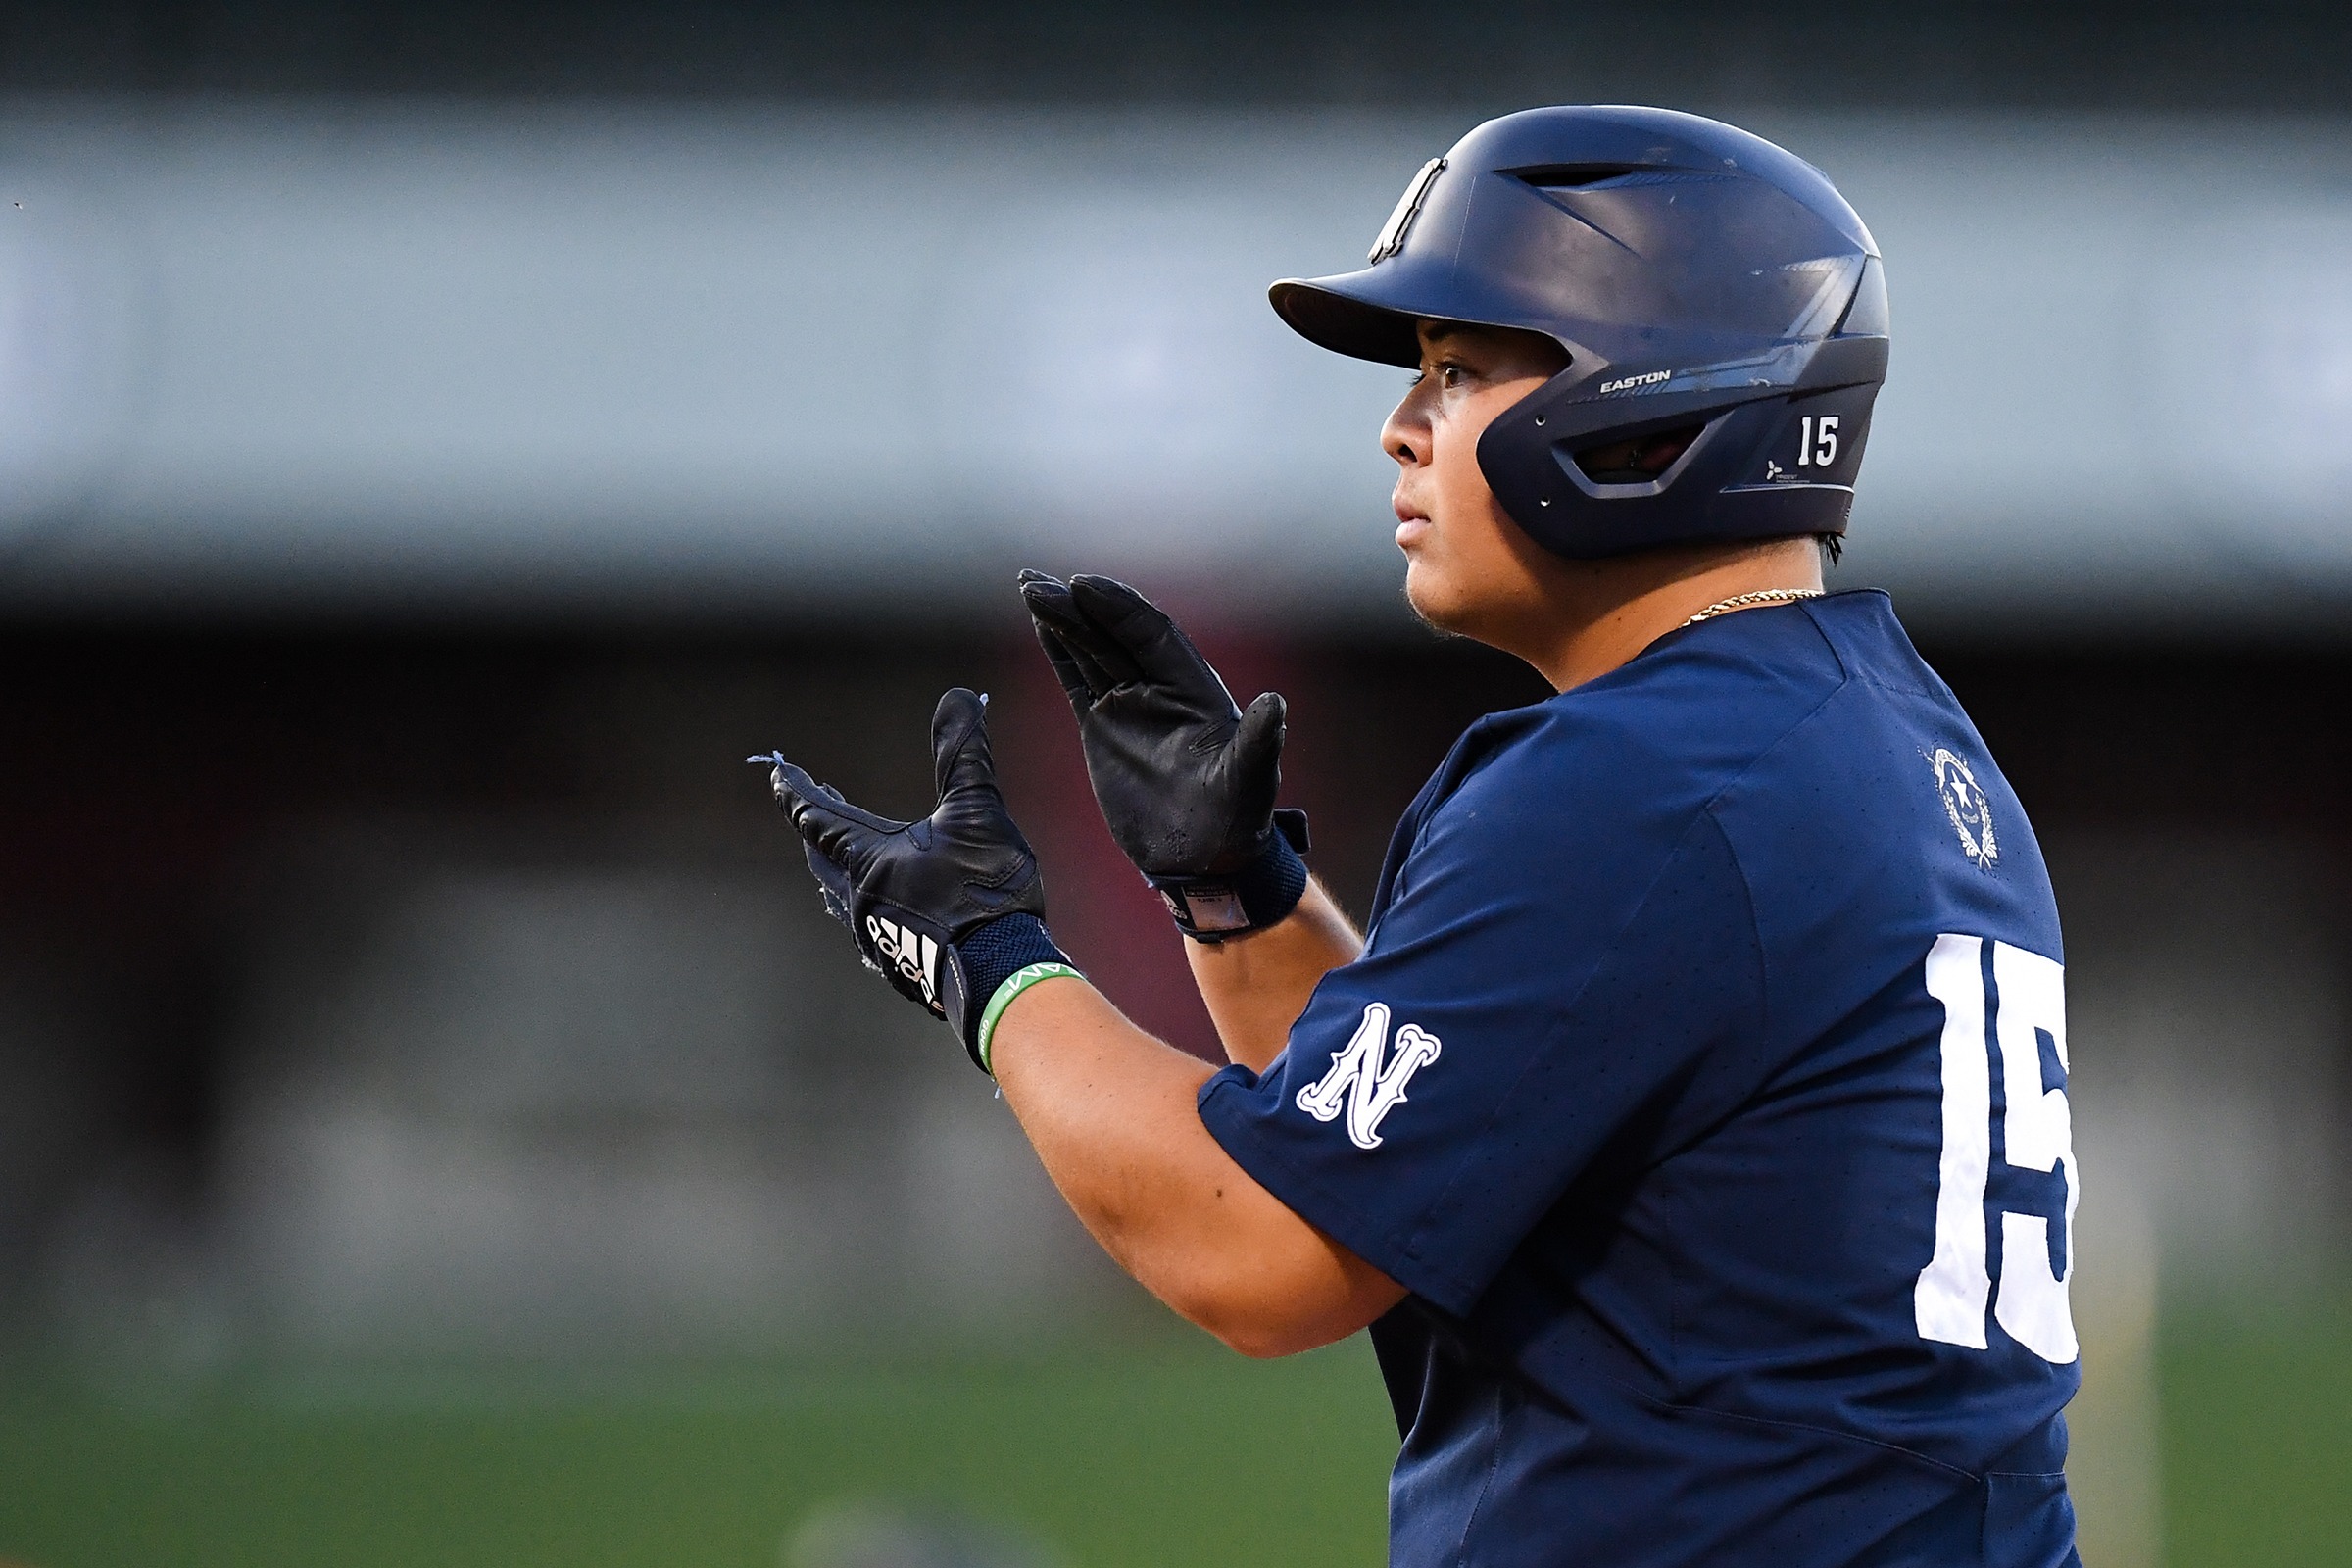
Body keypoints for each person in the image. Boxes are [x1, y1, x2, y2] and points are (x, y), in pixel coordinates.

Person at [755, 106, 2082, 1568]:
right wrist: (1237, 894)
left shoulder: (1641, 780)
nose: (1400, 424)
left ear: (1652, 407)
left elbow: (1255, 1248)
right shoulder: (1879, 730)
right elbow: (1413, 1140)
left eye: (1458, 372)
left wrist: (986, 960)